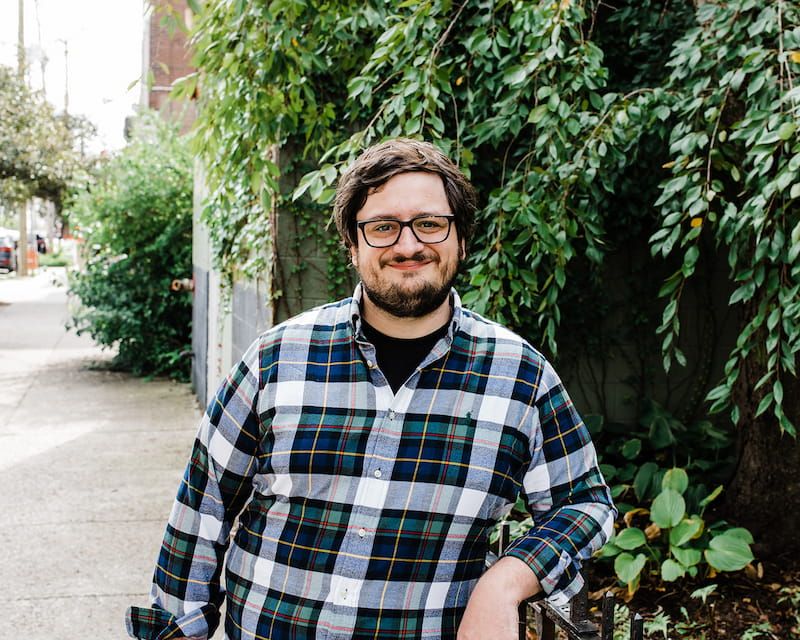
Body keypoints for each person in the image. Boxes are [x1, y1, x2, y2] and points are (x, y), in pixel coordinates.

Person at [126, 138, 615, 640]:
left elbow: (584, 503)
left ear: (461, 239)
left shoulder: (520, 377)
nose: (408, 245)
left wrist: (506, 581)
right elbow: (202, 504)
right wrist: (177, 630)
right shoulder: (276, 359)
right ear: (353, 245)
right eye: (383, 227)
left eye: (430, 224)